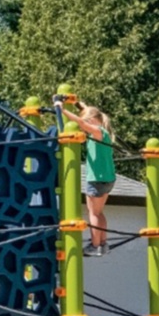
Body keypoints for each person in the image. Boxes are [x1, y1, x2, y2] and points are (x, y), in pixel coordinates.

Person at [58, 100, 116, 257]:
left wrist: (62, 110)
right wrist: (78, 103)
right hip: (108, 178)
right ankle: (102, 244)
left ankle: (95, 245)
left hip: (96, 178)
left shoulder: (96, 132)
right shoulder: (104, 132)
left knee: (93, 213)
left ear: (91, 120)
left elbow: (82, 123)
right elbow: (88, 116)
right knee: (99, 212)